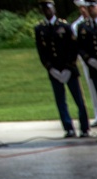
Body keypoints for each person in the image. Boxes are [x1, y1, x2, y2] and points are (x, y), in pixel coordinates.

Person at [35, 0, 90, 138]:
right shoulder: (40, 29)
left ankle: (84, 127)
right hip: (54, 69)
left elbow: (73, 48)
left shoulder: (64, 26)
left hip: (68, 68)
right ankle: (68, 127)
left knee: (79, 99)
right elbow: (42, 52)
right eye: (44, 9)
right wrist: (50, 68)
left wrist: (68, 67)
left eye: (49, 8)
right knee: (60, 101)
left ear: (53, 8)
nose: (47, 11)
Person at [70, 0, 97, 127]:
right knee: (93, 88)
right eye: (82, 8)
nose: (84, 10)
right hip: (88, 61)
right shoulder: (77, 25)